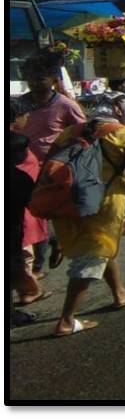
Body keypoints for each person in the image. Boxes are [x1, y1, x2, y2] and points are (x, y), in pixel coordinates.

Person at [47, 110, 125, 337]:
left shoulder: (69, 132)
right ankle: (66, 321)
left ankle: (119, 293)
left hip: (68, 200)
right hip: (105, 201)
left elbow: (49, 166)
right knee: (92, 256)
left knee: (103, 245)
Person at [16, 57, 86, 276]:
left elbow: (83, 134)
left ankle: (37, 268)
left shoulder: (65, 105)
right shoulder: (19, 105)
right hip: (21, 168)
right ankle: (51, 242)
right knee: (29, 217)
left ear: (54, 80)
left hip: (52, 171)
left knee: (38, 215)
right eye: (30, 78)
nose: (34, 83)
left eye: (40, 78)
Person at [9, 100, 47, 322]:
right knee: (18, 259)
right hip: (18, 219)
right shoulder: (18, 174)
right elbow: (33, 202)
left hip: (21, 215)